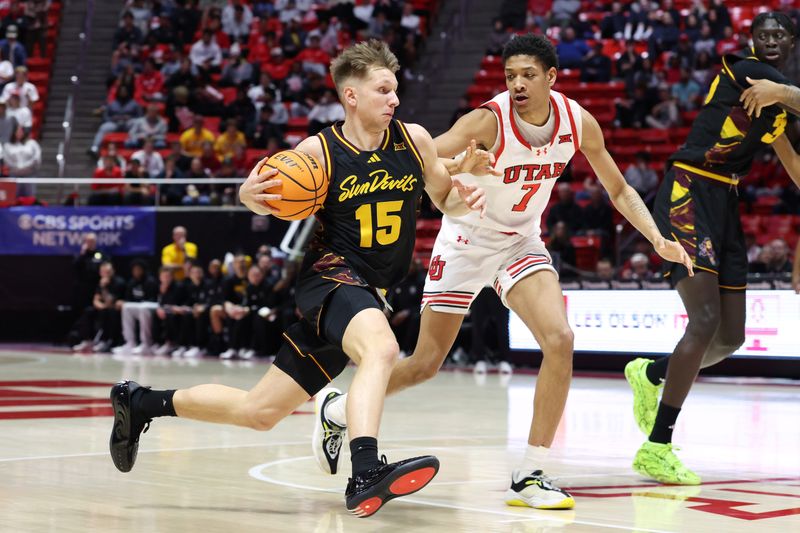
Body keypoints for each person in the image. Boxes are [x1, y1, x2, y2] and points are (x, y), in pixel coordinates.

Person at [309, 34, 692, 511]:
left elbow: (617, 189)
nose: (517, 84)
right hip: (465, 243)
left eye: (528, 75)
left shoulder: (578, 122)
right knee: (425, 364)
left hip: (521, 243)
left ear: (551, 77)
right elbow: (420, 160)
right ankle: (340, 409)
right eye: (510, 75)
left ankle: (531, 472)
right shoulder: (487, 121)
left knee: (560, 339)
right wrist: (464, 163)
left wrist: (657, 239)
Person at [109, 40, 489, 518]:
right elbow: (266, 197)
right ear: (351, 96)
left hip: (370, 292)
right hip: (330, 278)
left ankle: (141, 401)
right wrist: (248, 193)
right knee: (383, 349)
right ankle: (365, 470)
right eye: (383, 90)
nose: (394, 99)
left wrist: (464, 201)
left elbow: (443, 197)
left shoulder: (414, 139)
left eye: (395, 91)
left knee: (260, 411)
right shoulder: (319, 151)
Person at [625, 12, 800, 487]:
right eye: (761, 33)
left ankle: (651, 373)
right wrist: (785, 93)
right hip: (688, 188)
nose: (769, 40)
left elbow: (796, 168)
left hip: (725, 199)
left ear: (791, 43)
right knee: (703, 321)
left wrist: (783, 102)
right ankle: (657, 447)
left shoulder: (779, 106)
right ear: (750, 41)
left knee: (730, 337)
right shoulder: (746, 71)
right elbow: (785, 94)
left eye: (779, 35)